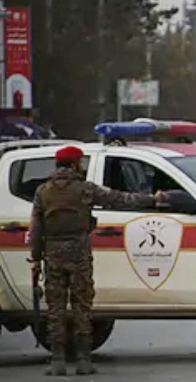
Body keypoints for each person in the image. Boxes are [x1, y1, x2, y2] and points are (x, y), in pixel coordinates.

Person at [28, 146, 166, 376]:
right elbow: (119, 199)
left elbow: (36, 229)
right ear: (73, 165)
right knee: (82, 307)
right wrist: (152, 200)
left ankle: (58, 361)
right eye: (79, 162)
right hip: (79, 254)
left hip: (52, 255)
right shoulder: (85, 190)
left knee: (56, 310)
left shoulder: (43, 192)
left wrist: (35, 258)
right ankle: (83, 360)